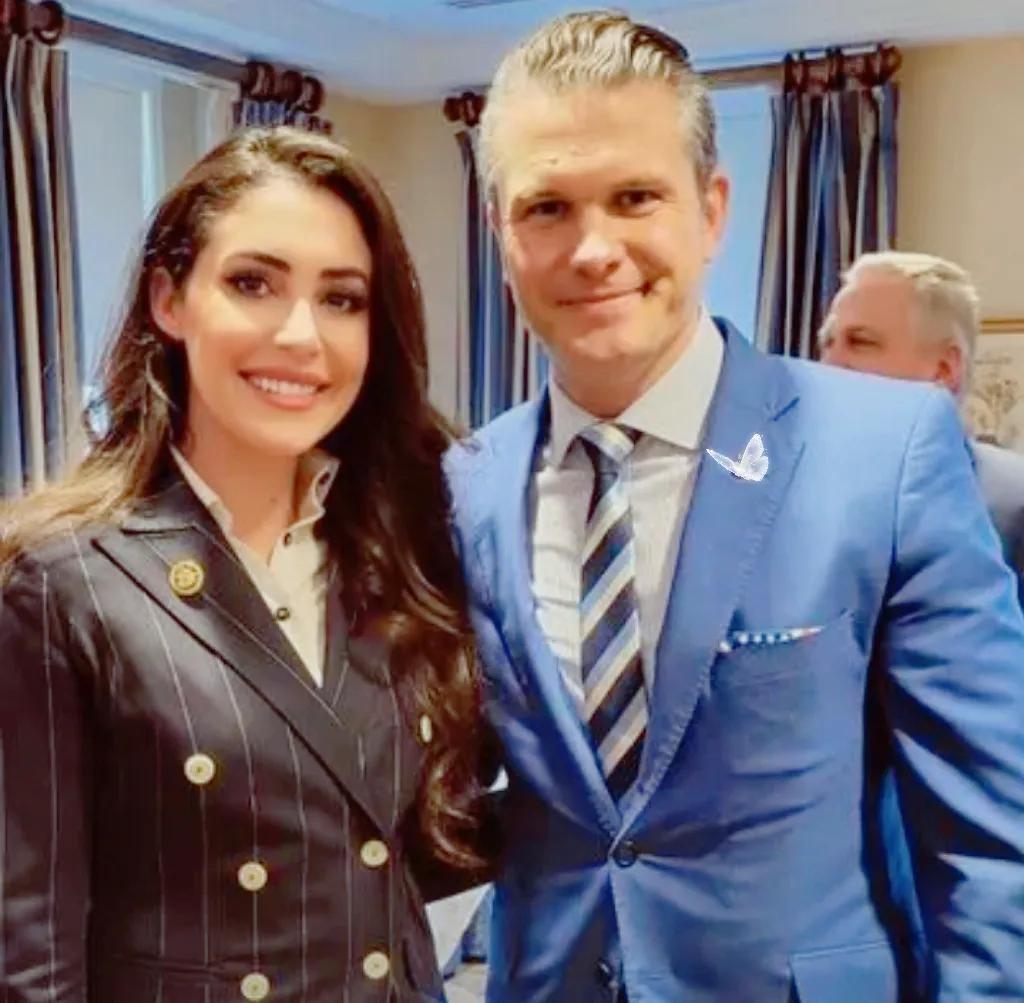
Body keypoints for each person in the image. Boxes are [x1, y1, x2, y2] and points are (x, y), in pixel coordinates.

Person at [443, 11, 1024, 1002]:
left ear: (712, 211)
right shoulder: (463, 486)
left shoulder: (884, 454)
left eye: (635, 196)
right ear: (501, 233)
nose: (593, 248)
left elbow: (991, 838)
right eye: (547, 208)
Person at [0, 126, 487, 1002]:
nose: (301, 334)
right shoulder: (62, 580)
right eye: (253, 283)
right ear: (169, 300)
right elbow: (31, 955)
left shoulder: (408, 553)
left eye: (342, 298)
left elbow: (391, 848)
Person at [820, 251, 1024, 600]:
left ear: (943, 369)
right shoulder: (792, 498)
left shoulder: (1012, 506)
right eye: (827, 343)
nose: (830, 364)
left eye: (861, 342)